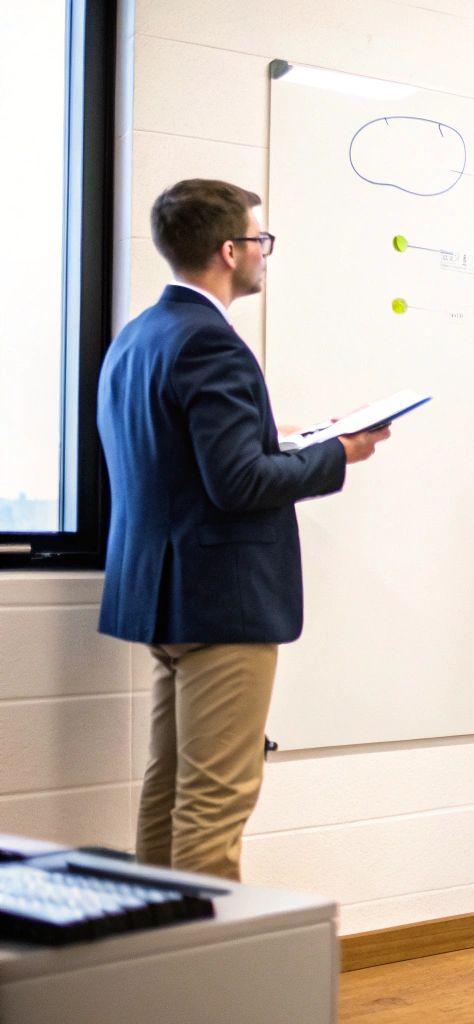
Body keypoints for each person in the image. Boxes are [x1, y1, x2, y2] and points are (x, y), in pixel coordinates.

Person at [97, 178, 390, 881]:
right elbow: (238, 484)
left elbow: (185, 453)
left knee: (168, 792)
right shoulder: (212, 344)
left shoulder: (141, 336)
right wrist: (335, 454)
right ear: (230, 251)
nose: (264, 254)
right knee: (216, 803)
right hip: (221, 601)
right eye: (261, 242)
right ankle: (201, 983)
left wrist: (288, 433)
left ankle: (155, 959)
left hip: (164, 596)